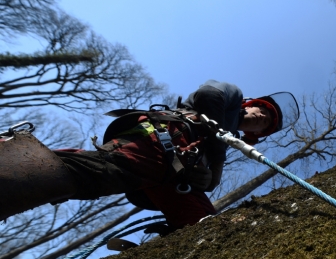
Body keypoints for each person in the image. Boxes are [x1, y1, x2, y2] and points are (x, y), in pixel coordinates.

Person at [0, 80, 298, 232]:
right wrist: (216, 167)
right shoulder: (231, 98)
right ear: (254, 104)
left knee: (202, 223)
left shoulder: (222, 141)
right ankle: (11, 166)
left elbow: (208, 174)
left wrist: (207, 180)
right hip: (159, 142)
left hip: (172, 175)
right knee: (92, 175)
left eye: (266, 124)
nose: (261, 119)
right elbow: (210, 94)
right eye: (263, 113)